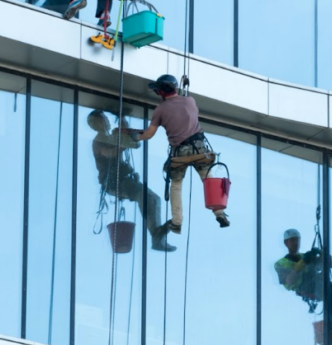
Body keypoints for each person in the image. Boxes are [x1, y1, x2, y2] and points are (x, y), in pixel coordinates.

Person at [130, 74, 229, 233]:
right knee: (208, 179)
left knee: (176, 185)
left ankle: (177, 222)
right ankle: (220, 212)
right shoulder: (190, 101)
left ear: (161, 92)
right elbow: (185, 106)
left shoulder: (160, 110)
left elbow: (149, 134)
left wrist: (137, 137)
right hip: (199, 148)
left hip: (180, 152)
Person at [87, 109, 175, 252]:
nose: (107, 122)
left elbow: (123, 135)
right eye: (102, 120)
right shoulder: (98, 142)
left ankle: (158, 235)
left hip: (123, 180)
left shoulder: (110, 138)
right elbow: (110, 153)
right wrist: (125, 144)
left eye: (106, 119)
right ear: (96, 124)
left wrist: (122, 120)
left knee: (154, 199)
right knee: (146, 197)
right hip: (114, 182)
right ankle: (156, 236)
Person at [273, 228, 332, 338]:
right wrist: (304, 262)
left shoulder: (307, 256)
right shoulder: (281, 264)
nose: (295, 243)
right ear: (286, 243)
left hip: (319, 284)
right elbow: (289, 280)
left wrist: (323, 254)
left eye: (297, 240)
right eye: (292, 240)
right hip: (306, 288)